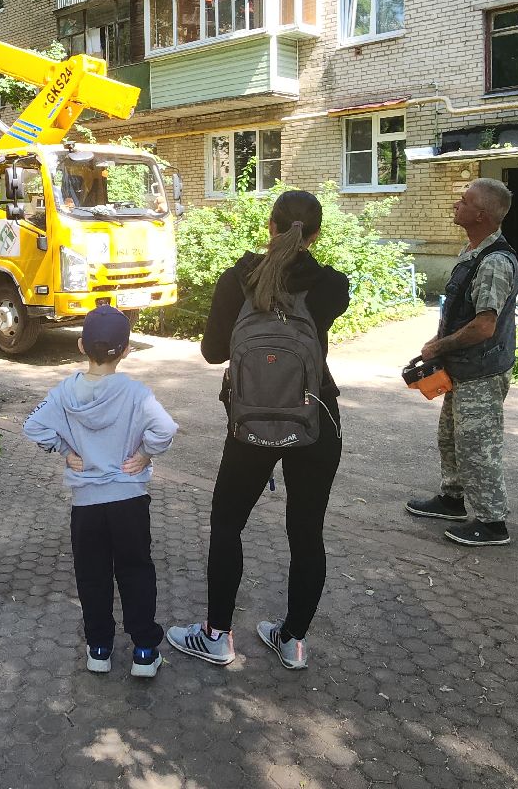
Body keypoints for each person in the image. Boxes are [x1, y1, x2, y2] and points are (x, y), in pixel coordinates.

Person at [166, 189, 350, 671]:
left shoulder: (237, 278)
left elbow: (212, 353)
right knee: (307, 533)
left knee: (228, 525)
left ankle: (216, 636)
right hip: (315, 418)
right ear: (316, 234)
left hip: (248, 422)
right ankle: (291, 640)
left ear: (268, 225)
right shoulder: (332, 285)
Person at [24, 305, 178, 679]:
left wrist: (66, 452)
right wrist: (143, 455)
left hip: (87, 506)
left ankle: (98, 649)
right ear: (126, 351)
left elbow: (33, 425)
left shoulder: (63, 393)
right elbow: (166, 429)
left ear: (80, 346)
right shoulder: (136, 393)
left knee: (91, 576)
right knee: (136, 572)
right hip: (128, 501)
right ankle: (144, 651)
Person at [406, 178, 518, 547]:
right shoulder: (473, 253)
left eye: (465, 200)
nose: (457, 204)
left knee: (478, 449)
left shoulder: (494, 263)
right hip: (463, 369)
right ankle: (452, 499)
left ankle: (491, 523)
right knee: (451, 439)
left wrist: (439, 346)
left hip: (482, 372)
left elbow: (484, 326)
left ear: (481, 214)